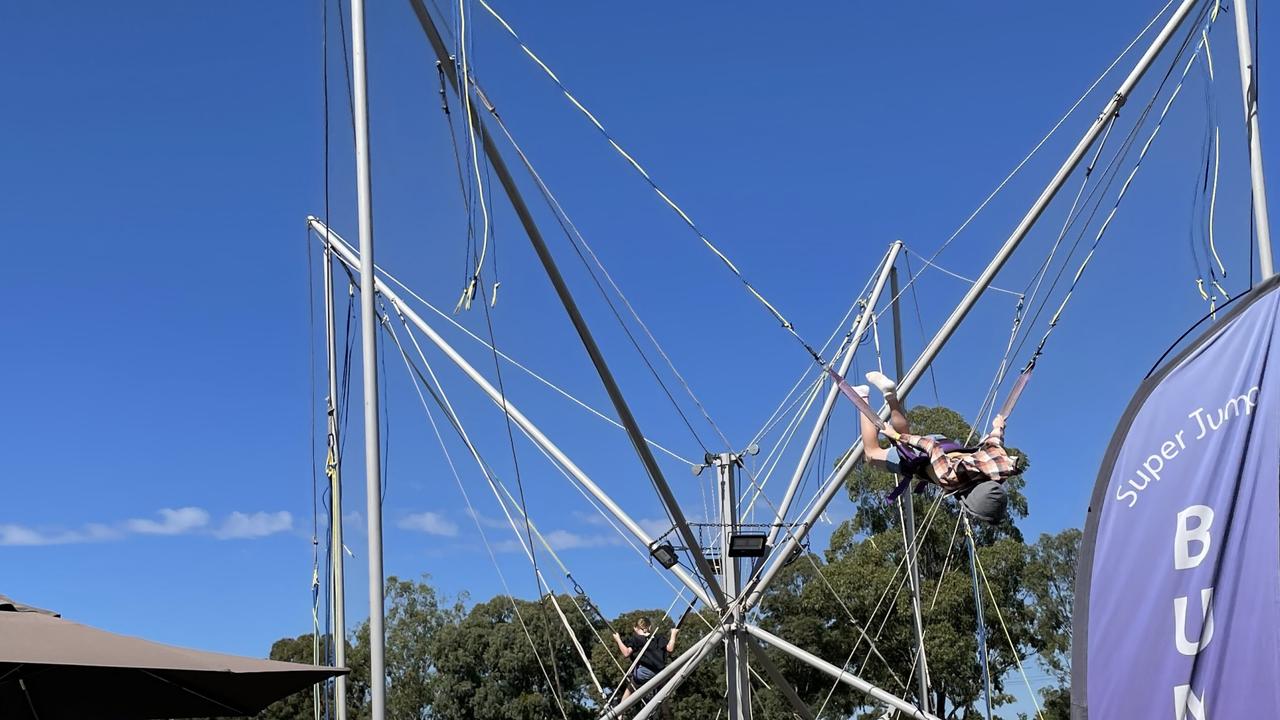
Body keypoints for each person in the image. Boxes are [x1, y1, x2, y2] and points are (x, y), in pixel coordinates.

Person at [856, 370, 1021, 522]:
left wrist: (999, 425)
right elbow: (930, 446)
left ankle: (890, 395)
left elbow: (994, 442)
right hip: (927, 451)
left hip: (945, 443)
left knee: (905, 447)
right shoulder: (950, 477)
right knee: (871, 454)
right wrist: (896, 436)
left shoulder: (997, 469)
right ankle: (861, 395)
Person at [612, 618, 678, 702]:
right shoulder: (658, 637)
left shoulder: (635, 639)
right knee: (662, 690)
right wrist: (673, 634)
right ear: (649, 627)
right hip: (660, 673)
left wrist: (618, 640)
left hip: (644, 672)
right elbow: (670, 648)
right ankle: (665, 713)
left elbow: (626, 653)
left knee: (631, 687)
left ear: (635, 628)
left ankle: (620, 712)